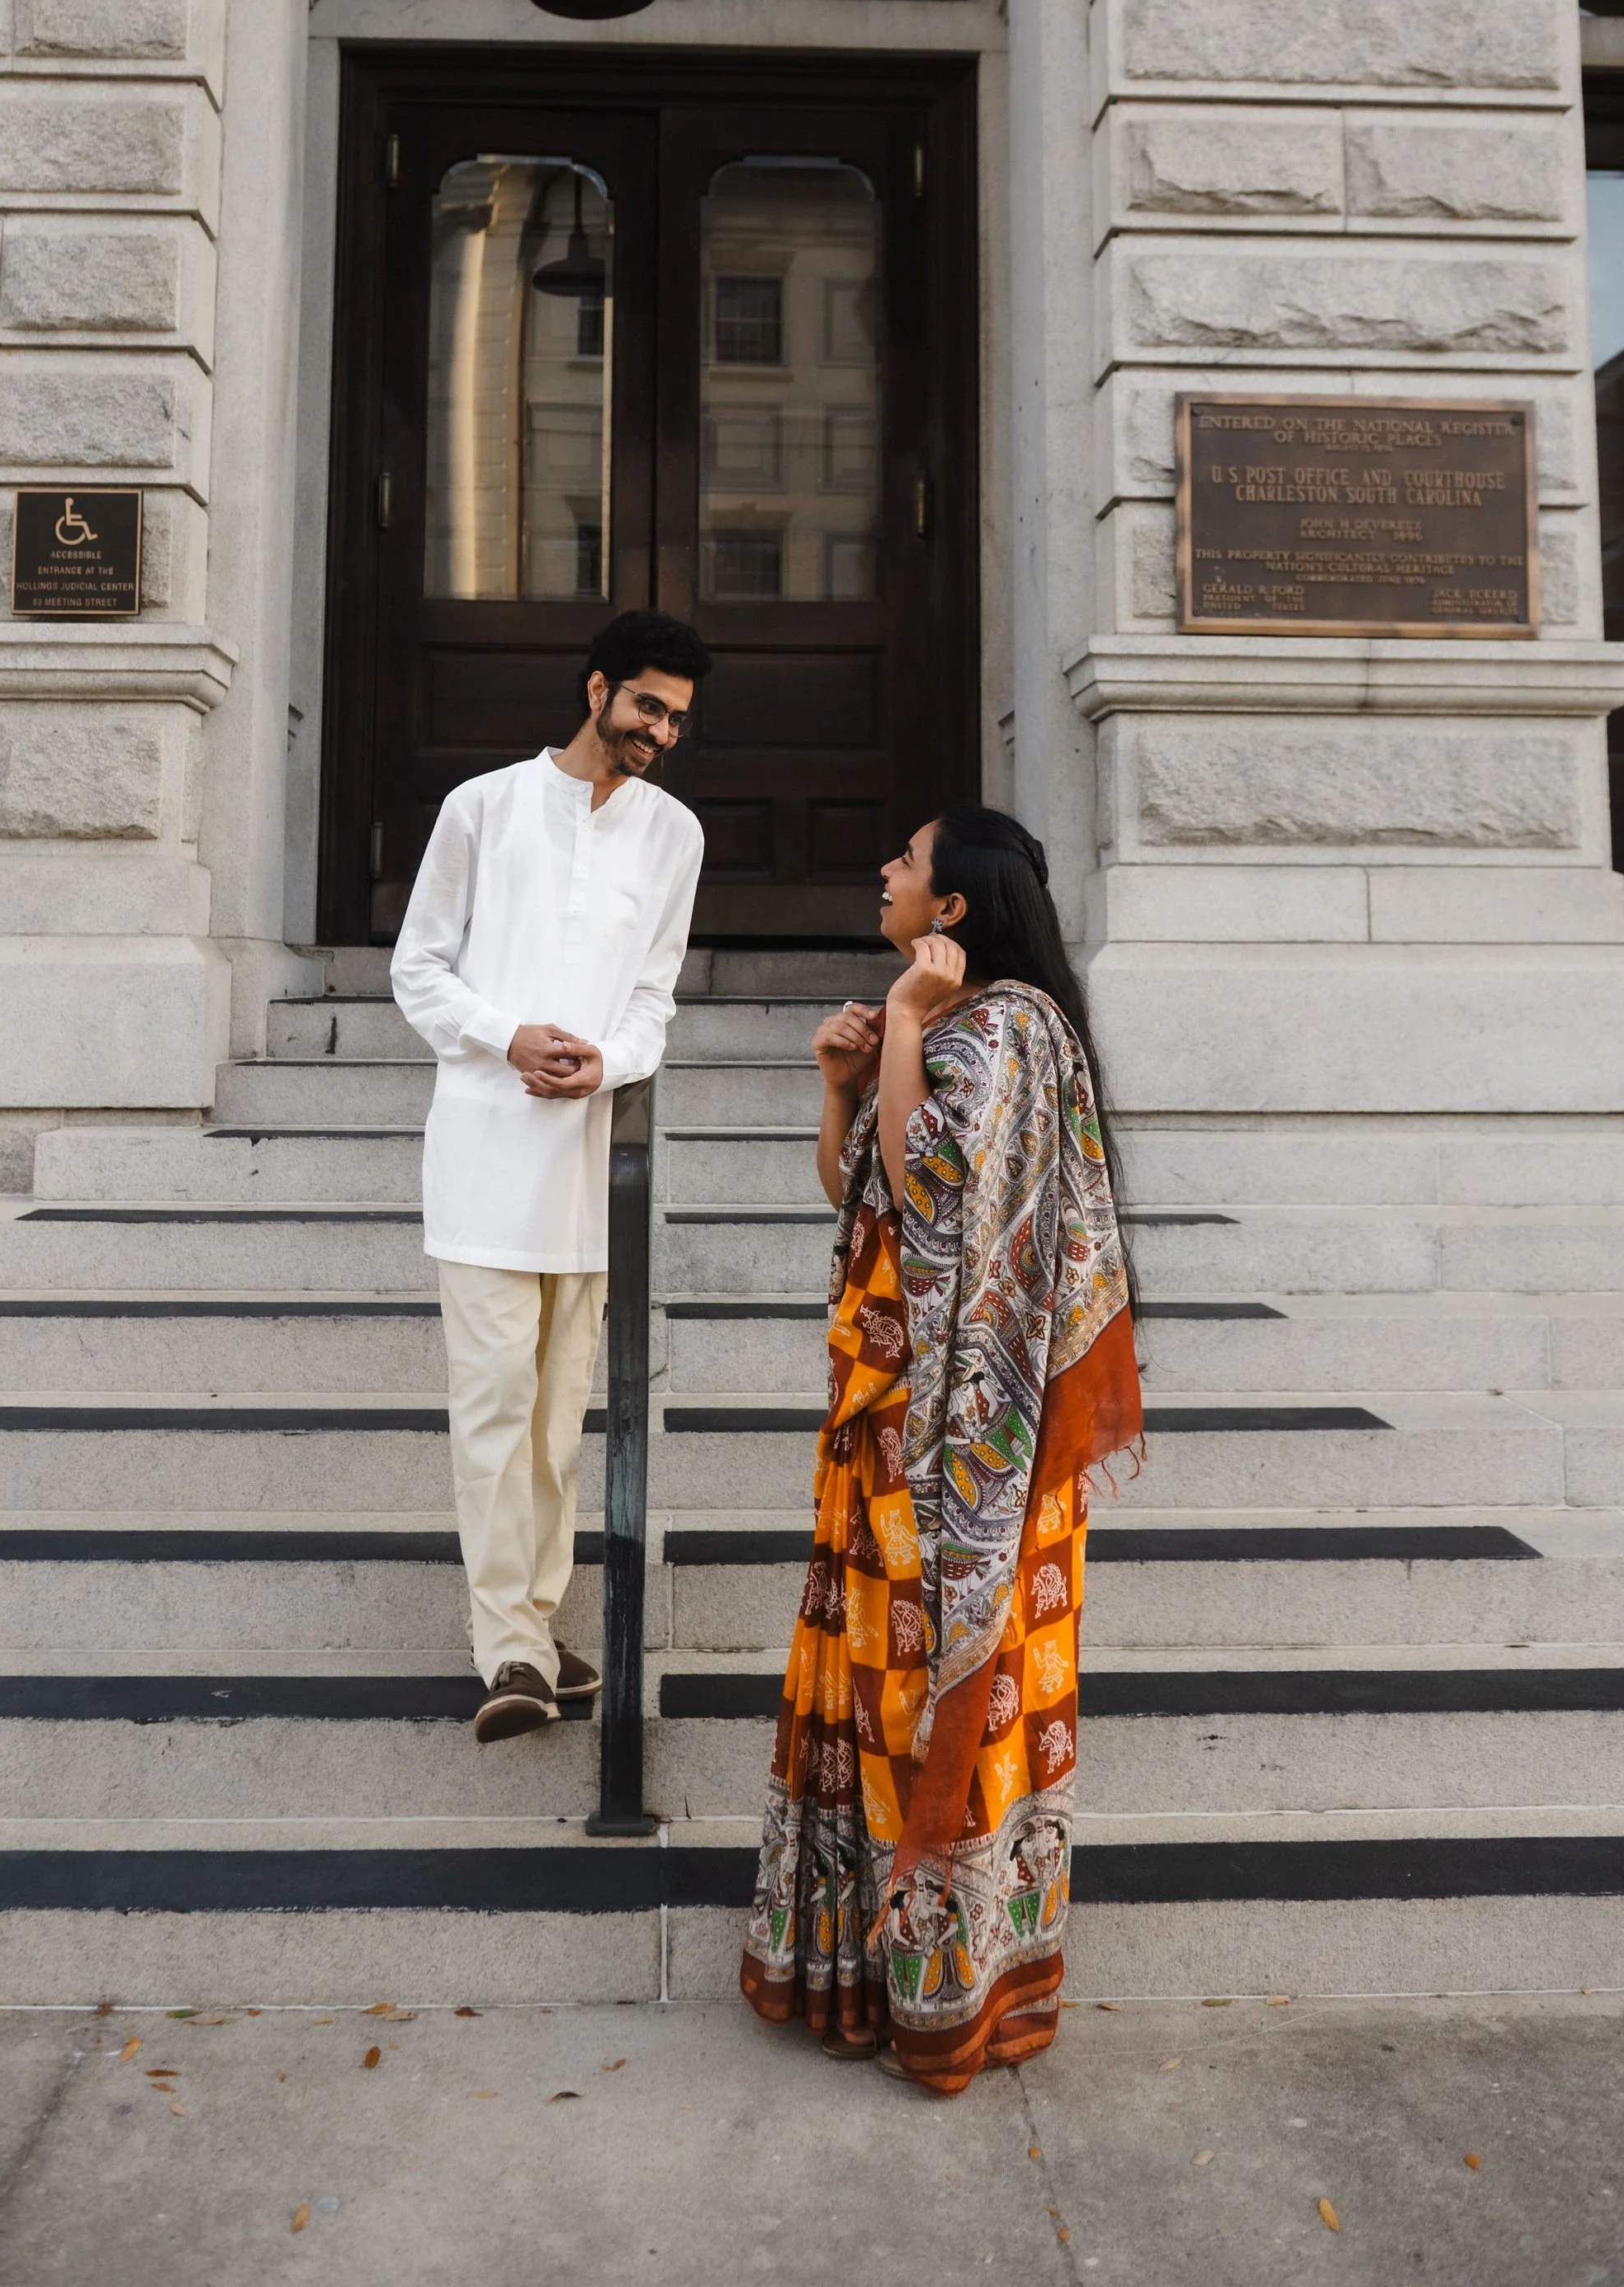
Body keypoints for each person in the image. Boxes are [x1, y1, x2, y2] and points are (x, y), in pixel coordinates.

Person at [739, 805, 1141, 2092]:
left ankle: (950, 1996)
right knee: (879, 1695)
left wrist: (905, 1031)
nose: (885, 874)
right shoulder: (962, 1030)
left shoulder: (1010, 1026)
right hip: (891, 1431)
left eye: (905, 863)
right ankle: (866, 1970)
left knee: (927, 1701)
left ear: (951, 909)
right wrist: (844, 1081)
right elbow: (856, 1192)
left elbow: (931, 1195)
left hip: (964, 1450)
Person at [391, 610, 708, 1745]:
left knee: (557, 1427)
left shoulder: (676, 836)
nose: (661, 731)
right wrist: (507, 1036)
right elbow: (417, 967)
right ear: (596, 691)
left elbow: (653, 998)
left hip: (584, 1172)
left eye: (677, 717)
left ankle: (533, 1625)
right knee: (491, 1409)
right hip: (482, 1154)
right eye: (646, 707)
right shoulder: (482, 808)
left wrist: (609, 1061)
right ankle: (512, 1651)